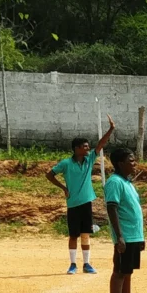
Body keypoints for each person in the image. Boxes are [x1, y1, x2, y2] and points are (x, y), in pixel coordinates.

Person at [46, 115, 115, 275]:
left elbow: (101, 144)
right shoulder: (66, 163)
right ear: (77, 148)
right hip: (73, 204)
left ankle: (86, 264)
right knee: (73, 235)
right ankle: (72, 264)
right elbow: (49, 175)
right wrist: (63, 187)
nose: (88, 148)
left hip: (86, 203)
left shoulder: (90, 159)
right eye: (85, 146)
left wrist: (111, 129)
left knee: (85, 234)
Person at [104, 148, 147, 293]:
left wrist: (140, 237)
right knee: (119, 272)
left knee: (127, 271)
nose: (134, 163)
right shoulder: (115, 182)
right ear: (120, 163)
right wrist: (119, 236)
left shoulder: (128, 182)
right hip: (125, 235)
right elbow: (112, 208)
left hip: (133, 235)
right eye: (131, 160)